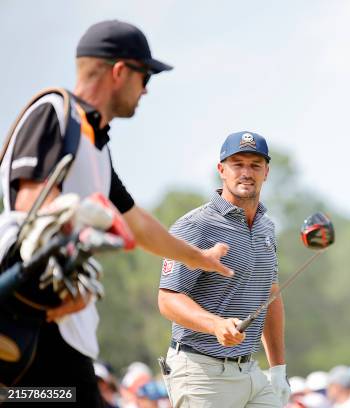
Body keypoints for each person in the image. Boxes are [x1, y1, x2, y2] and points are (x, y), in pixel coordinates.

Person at [0, 20, 231, 406]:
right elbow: (31, 199)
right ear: (119, 71)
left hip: (64, 331)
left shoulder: (96, 145)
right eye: (144, 76)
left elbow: (134, 221)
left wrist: (199, 258)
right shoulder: (53, 111)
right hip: (38, 324)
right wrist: (88, 222)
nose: (146, 89)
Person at [158, 131, 290, 407]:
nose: (246, 172)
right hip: (200, 371)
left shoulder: (267, 227)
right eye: (237, 164)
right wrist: (215, 324)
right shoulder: (196, 225)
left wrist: (278, 369)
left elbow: (271, 296)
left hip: (249, 371)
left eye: (255, 165)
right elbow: (168, 300)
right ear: (221, 170)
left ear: (266, 172)